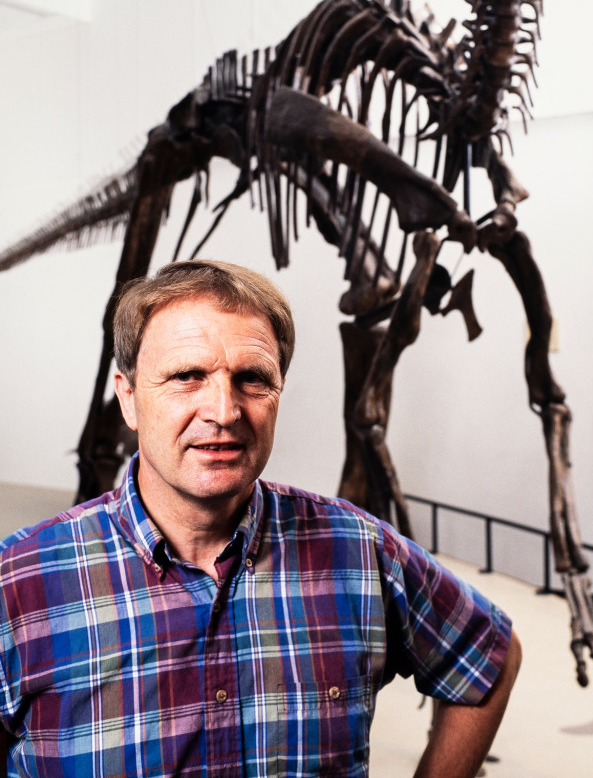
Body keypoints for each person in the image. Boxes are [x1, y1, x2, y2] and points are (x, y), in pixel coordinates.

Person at [0, 260, 521, 778]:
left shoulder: (362, 551)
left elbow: (490, 656)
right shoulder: (17, 583)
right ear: (129, 398)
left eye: (252, 379)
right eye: (187, 376)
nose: (224, 411)